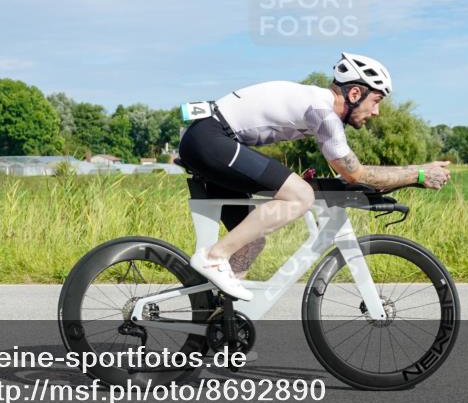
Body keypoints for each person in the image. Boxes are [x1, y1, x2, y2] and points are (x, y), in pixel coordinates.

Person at [177, 53, 451, 301]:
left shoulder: (316, 106)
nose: (377, 112)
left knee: (250, 242)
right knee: (300, 195)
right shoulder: (323, 113)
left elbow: (346, 169)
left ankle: (218, 321)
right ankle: (213, 258)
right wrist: (417, 174)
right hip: (210, 139)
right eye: (376, 101)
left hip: (209, 139)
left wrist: (417, 169)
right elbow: (356, 173)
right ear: (355, 93)